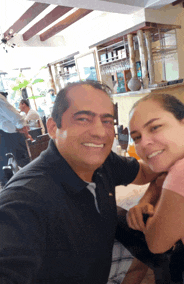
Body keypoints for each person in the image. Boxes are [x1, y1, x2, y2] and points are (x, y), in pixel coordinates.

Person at [0, 80, 159, 284]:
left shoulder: (103, 161)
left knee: (141, 255)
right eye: (83, 119)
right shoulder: (25, 201)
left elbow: (147, 172)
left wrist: (148, 197)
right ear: (53, 127)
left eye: (107, 121)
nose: (100, 132)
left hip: (98, 263)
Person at [127, 93, 184, 283]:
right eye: (136, 138)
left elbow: (155, 242)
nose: (143, 143)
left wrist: (151, 195)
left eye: (155, 127)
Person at [0, 92, 32, 186]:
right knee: (24, 165)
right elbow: (16, 118)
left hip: (4, 137)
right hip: (11, 137)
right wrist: (22, 127)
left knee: (7, 170)